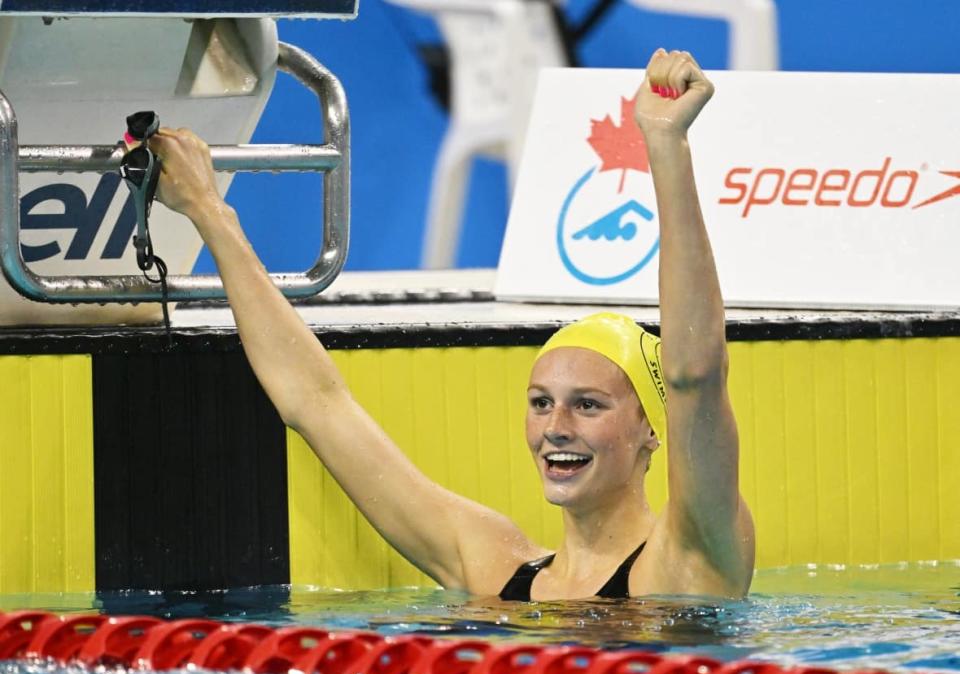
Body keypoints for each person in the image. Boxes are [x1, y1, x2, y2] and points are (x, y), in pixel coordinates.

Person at [149, 48, 755, 601]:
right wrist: (209, 210)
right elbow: (316, 403)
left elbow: (695, 376)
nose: (556, 428)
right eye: (541, 403)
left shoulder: (689, 562)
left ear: (652, 429)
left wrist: (664, 144)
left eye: (589, 405)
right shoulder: (493, 567)